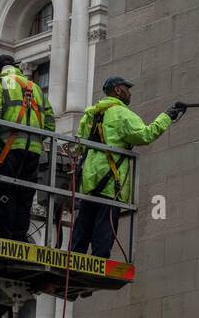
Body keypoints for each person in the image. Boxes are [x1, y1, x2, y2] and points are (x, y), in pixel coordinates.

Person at [69, 76, 184, 258]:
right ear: (117, 90)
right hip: (109, 181)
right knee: (104, 226)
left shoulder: (90, 114)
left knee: (84, 222)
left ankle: (74, 259)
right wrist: (168, 116)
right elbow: (145, 135)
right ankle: (99, 262)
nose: (129, 93)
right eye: (126, 89)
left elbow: (78, 146)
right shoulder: (121, 113)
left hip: (89, 179)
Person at [0, 54, 55, 241]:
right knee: (25, 195)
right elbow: (51, 124)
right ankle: (20, 237)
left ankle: (4, 238)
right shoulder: (35, 88)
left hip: (8, 149)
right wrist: (35, 138)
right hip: (34, 152)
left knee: (6, 193)